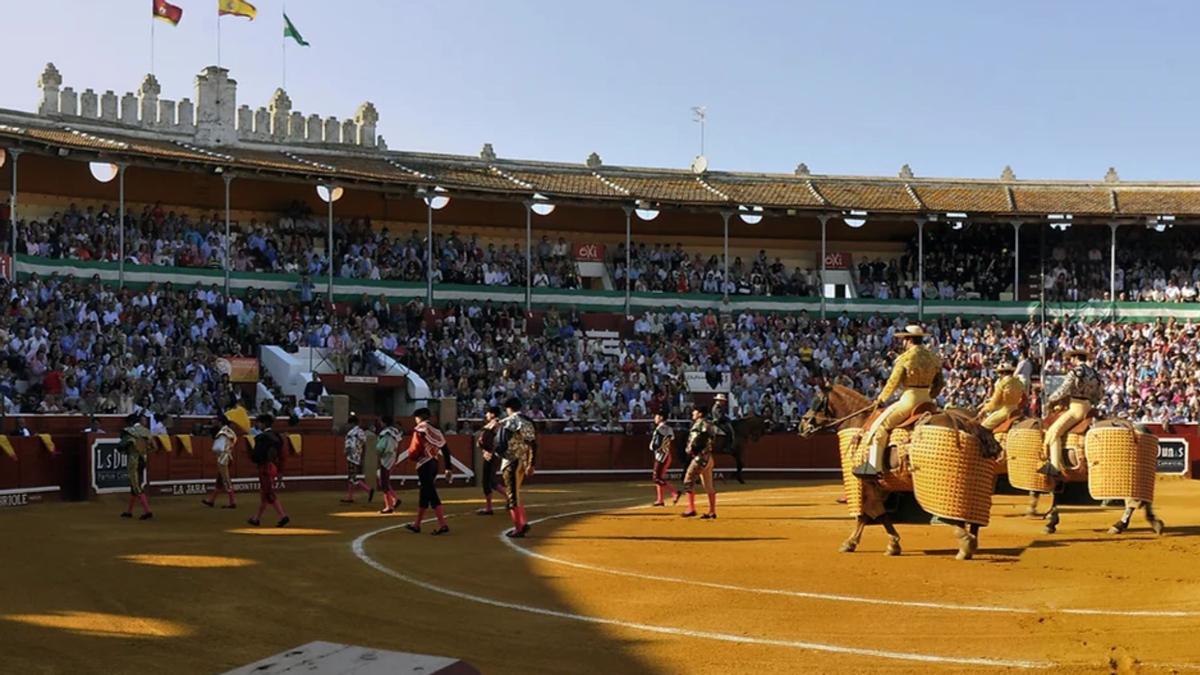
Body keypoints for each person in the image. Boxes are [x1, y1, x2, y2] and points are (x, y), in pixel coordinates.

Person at [854, 325, 944, 478]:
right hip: (928, 400)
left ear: (908, 340)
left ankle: (874, 468)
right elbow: (940, 383)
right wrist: (931, 395)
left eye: (903, 339)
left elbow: (892, 382)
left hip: (909, 399)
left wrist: (880, 399)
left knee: (881, 426)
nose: (902, 342)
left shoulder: (905, 358)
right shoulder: (933, 357)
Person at [1040, 348, 1103, 476]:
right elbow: (1100, 394)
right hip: (1089, 407)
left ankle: (1055, 466)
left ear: (1075, 358)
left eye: (1071, 359)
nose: (1071, 361)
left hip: (1076, 409)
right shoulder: (1095, 374)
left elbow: (1063, 390)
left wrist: (1050, 399)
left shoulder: (1075, 372)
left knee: (1053, 433)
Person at [402, 408, 452, 535]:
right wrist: (448, 468)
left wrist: (412, 456)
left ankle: (443, 524)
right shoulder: (437, 430)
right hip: (434, 463)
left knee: (430, 493)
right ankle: (417, 525)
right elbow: (446, 451)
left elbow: (415, 449)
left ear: (420, 417)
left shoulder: (420, 429)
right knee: (425, 493)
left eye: (416, 417)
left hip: (424, 464)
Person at [495, 397, 538, 538]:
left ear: (508, 408)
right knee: (516, 494)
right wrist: (531, 463)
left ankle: (519, 528)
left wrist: (495, 453)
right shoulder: (527, 421)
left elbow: (499, 443)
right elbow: (533, 444)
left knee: (512, 495)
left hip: (510, 461)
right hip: (522, 462)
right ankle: (523, 523)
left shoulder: (507, 422)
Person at [247, 413, 289, 527]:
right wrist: (280, 471)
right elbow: (283, 455)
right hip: (274, 467)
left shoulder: (261, 438)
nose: (257, 424)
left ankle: (283, 516)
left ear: (263, 424)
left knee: (268, 493)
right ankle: (256, 518)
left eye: (259, 422)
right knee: (264, 494)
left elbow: (256, 456)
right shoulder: (278, 436)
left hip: (265, 468)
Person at [680, 405, 717, 519]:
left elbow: (694, 441)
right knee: (709, 486)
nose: (692, 413)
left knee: (688, 481)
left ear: (700, 414)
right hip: (709, 458)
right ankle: (712, 511)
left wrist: (690, 450)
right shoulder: (710, 424)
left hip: (699, 458)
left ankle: (691, 509)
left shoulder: (698, 425)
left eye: (694, 412)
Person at [118, 412, 154, 520]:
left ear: (130, 422)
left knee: (136, 486)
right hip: (142, 460)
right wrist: (143, 450)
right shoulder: (146, 431)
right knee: (135, 485)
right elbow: (154, 447)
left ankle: (148, 511)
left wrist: (129, 448)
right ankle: (129, 511)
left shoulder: (128, 431)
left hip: (133, 461)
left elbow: (120, 446)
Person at [475, 406, 507, 515]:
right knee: (490, 481)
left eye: (487, 413)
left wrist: (488, 449)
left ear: (492, 414)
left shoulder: (495, 424)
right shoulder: (496, 424)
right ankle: (509, 499)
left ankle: (491, 507)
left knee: (488, 481)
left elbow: (494, 439)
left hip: (491, 455)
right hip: (491, 454)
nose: (486, 415)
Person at [202, 413, 238, 508]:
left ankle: (232, 501)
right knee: (220, 480)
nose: (215, 422)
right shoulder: (230, 431)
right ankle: (211, 500)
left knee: (226, 479)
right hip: (229, 456)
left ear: (220, 422)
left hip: (223, 458)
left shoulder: (222, 432)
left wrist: (214, 450)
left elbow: (218, 448)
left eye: (217, 421)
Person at [978, 363, 1025, 430]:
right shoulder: (1019, 382)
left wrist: (984, 409)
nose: (998, 375)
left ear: (1003, 372)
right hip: (1016, 409)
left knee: (983, 427)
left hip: (1005, 411)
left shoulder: (1002, 383)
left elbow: (995, 403)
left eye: (999, 373)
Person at [649, 411, 680, 507]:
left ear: (661, 417)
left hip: (661, 456)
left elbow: (656, 445)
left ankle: (674, 492)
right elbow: (671, 439)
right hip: (666, 455)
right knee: (660, 477)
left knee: (656, 478)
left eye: (656, 416)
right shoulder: (669, 428)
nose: (655, 418)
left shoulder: (659, 429)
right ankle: (660, 499)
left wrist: (652, 447)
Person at [341, 414, 374, 504]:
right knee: (351, 477)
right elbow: (364, 442)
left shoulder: (351, 433)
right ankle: (350, 496)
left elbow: (349, 445)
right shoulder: (360, 432)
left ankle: (368, 489)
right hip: (357, 456)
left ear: (352, 423)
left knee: (352, 477)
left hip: (351, 456)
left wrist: (347, 451)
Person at [374, 415, 402, 514]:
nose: (380, 423)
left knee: (384, 482)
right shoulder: (395, 431)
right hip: (392, 456)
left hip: (386, 458)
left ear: (384, 422)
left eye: (381, 422)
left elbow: (382, 447)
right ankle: (394, 500)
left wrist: (379, 454)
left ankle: (389, 506)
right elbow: (397, 445)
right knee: (384, 481)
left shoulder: (386, 433)